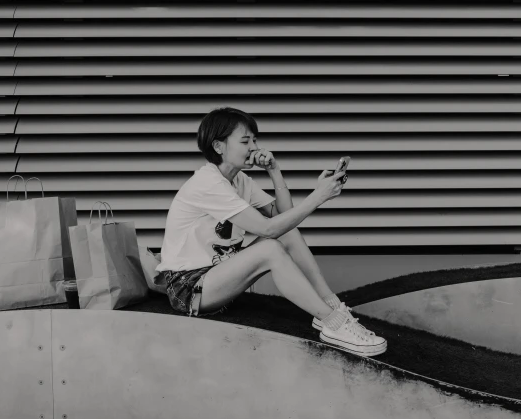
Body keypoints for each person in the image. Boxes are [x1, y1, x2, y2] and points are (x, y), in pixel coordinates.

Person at [155, 107, 387, 357]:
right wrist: (317, 198)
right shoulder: (208, 183)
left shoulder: (240, 180)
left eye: (255, 140)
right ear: (219, 146)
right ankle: (333, 324)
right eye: (245, 141)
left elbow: (282, 217)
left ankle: (331, 308)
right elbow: (267, 228)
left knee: (286, 235)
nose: (254, 147)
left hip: (219, 277)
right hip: (189, 289)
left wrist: (274, 170)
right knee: (269, 247)